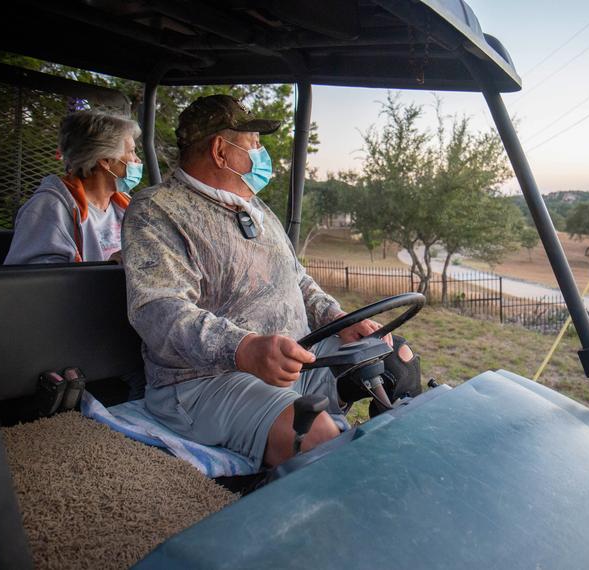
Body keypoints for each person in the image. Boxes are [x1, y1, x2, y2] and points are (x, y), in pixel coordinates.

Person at [123, 95, 419, 470]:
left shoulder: (256, 209)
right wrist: (242, 348)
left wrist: (339, 319)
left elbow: (297, 279)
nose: (262, 154)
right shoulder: (157, 211)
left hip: (292, 360)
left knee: (396, 358)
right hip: (207, 382)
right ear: (220, 150)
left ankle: (394, 469)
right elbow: (159, 310)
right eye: (254, 144)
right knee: (316, 436)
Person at [5, 110, 143, 264]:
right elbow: (34, 280)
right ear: (105, 160)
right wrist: (107, 268)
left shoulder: (125, 204)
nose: (137, 160)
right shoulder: (49, 208)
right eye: (131, 151)